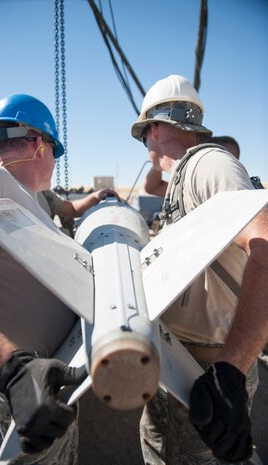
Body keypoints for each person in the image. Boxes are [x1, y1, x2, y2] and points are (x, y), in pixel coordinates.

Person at [0, 93, 117, 465]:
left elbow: (69, 208)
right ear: (40, 145)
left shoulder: (33, 200)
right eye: (55, 151)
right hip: (5, 399)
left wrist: (97, 199)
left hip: (43, 394)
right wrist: (10, 370)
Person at [131, 75, 268, 464]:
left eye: (144, 135)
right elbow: (152, 182)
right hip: (175, 362)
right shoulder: (183, 176)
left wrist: (230, 373)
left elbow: (266, 248)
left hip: (211, 370)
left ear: (154, 128)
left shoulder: (210, 165)